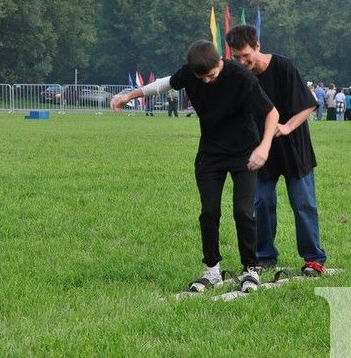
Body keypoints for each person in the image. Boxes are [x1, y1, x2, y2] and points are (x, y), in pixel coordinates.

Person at [110, 40, 279, 291]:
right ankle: (212, 270)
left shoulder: (242, 77)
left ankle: (250, 269)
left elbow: (272, 113)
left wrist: (263, 148)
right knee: (209, 212)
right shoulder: (192, 73)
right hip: (210, 154)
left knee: (243, 211)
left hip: (245, 153)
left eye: (211, 75)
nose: (207, 81)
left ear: (220, 61)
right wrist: (128, 96)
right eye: (202, 78)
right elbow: (163, 84)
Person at [225, 24, 327, 277]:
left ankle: (313, 258)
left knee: (303, 204)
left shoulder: (283, 67)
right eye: (236, 57)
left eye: (245, 55)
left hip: (294, 148)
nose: (241, 61)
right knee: (262, 203)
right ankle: (264, 256)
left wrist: (287, 127)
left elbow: (308, 105)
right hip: (261, 150)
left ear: (257, 46)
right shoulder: (238, 76)